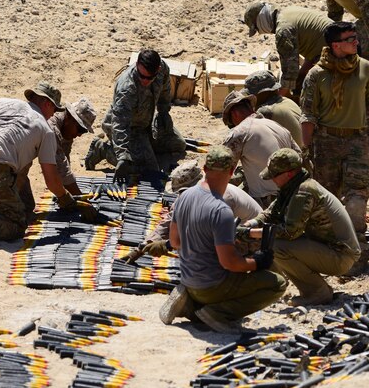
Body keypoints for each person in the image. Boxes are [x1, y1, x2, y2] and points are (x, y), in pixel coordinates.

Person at [160, 146, 287, 334]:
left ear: (204, 169)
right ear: (232, 171)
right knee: (277, 283)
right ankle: (217, 313)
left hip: (188, 280)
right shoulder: (221, 211)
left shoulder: (184, 197)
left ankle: (190, 304)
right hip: (212, 286)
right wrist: (257, 262)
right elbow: (230, 263)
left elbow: (175, 241)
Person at [0, 82, 97, 247]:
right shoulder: (45, 129)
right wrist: (68, 201)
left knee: (27, 209)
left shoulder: (2, 102)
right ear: (47, 103)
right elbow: (51, 180)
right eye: (54, 110)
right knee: (17, 226)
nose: (54, 114)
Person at [301, 22, 369, 273]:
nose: (356, 42)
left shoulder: (365, 68)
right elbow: (308, 115)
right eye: (350, 38)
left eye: (356, 37)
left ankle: (357, 251)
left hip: (357, 142)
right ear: (335, 45)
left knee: (356, 197)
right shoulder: (316, 75)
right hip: (325, 143)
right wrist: (305, 150)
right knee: (325, 199)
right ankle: (327, 251)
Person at [242, 148, 360, 306]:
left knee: (276, 246)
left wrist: (251, 233)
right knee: (274, 241)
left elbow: (289, 232)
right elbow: (271, 213)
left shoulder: (303, 192)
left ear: (288, 174)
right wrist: (251, 224)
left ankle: (317, 293)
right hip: (333, 249)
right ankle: (316, 288)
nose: (272, 180)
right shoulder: (296, 185)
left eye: (275, 175)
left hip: (341, 255)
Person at [124, 159, 262, 261]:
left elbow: (206, 234)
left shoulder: (221, 197)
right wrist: (141, 248)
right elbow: (169, 221)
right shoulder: (191, 195)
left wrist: (167, 245)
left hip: (251, 241)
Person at [84, 49, 186, 181]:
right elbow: (120, 124)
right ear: (137, 64)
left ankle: (144, 149)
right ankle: (103, 150)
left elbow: (165, 89)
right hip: (128, 128)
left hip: (147, 122)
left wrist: (163, 112)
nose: (145, 81)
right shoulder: (126, 88)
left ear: (158, 69)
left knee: (178, 144)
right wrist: (122, 155)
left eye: (149, 77)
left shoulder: (163, 69)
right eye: (141, 76)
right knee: (147, 171)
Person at [221, 90, 301, 208]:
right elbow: (298, 155)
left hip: (267, 201)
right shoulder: (276, 125)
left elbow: (220, 169)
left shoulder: (240, 132)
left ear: (234, 114)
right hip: (293, 194)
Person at [243, 2, 333, 99]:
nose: (260, 32)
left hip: (334, 53)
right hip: (338, 44)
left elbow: (290, 71)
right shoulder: (288, 12)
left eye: (257, 28)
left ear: (260, 19)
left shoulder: (283, 30)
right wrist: (301, 75)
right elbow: (312, 45)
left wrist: (278, 98)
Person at [48, 97, 97, 196]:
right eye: (80, 129)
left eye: (83, 131)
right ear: (69, 117)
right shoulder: (51, 129)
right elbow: (61, 169)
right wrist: (79, 198)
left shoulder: (67, 129)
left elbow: (64, 162)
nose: (79, 135)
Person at [243, 70, 305, 147]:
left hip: (291, 156)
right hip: (301, 153)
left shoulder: (265, 111)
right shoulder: (287, 101)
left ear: (262, 93)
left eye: (252, 94)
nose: (250, 98)